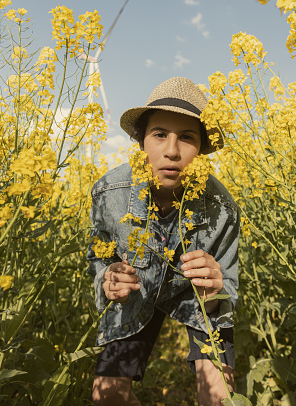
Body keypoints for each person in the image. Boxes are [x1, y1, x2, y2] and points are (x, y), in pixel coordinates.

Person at [87, 77, 240, 405]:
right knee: (107, 398)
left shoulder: (223, 208)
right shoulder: (108, 193)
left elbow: (225, 294)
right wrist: (108, 280)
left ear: (200, 149)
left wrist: (215, 291)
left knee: (221, 398)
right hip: (135, 294)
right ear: (142, 142)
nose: (171, 151)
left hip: (193, 298)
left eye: (187, 137)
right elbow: (98, 261)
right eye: (159, 135)